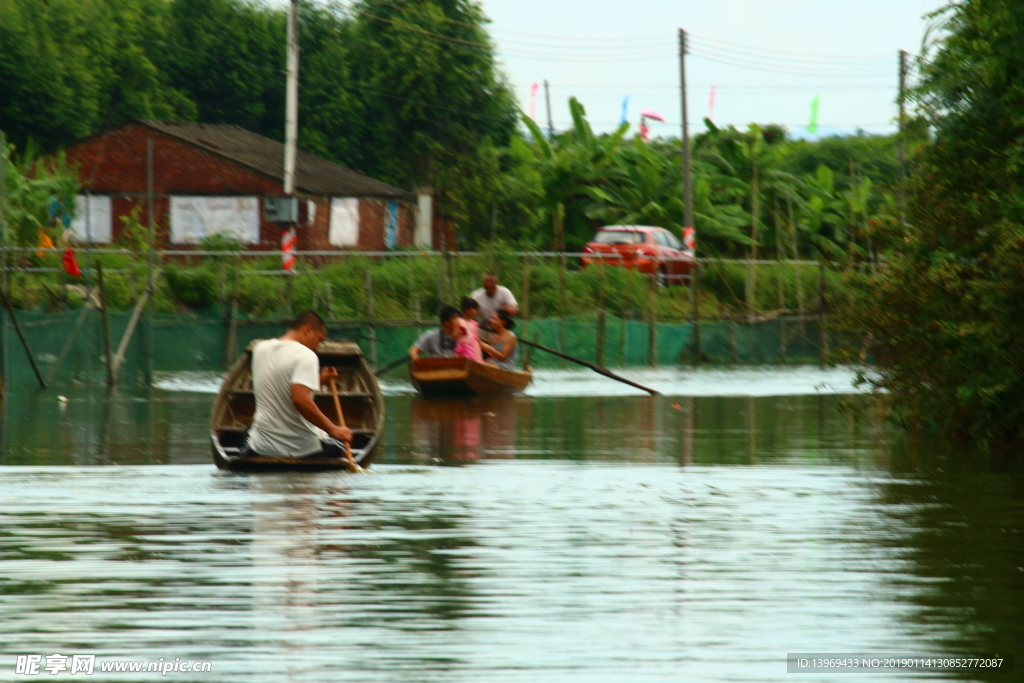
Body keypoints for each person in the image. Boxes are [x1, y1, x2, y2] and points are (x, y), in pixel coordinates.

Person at [244, 311, 353, 458]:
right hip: (302, 450)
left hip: (261, 447)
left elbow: (281, 385)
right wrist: (333, 429)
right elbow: (300, 400)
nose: (317, 346)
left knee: (250, 429)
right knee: (343, 447)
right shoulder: (306, 356)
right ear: (308, 330)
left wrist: (318, 380)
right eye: (319, 339)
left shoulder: (260, 349)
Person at [469, 272, 519, 341]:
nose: (489, 284)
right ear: (483, 283)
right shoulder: (476, 295)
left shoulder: (504, 292)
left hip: (502, 334)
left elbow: (515, 308)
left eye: (492, 281)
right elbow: (469, 312)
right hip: (484, 333)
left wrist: (510, 309)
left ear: (497, 283)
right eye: (487, 281)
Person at [455, 297, 484, 362]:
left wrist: (492, 351)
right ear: (467, 309)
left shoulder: (475, 324)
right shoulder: (458, 321)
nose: (476, 311)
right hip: (464, 350)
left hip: (475, 350)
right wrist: (459, 333)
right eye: (474, 309)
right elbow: (454, 336)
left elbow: (479, 341)